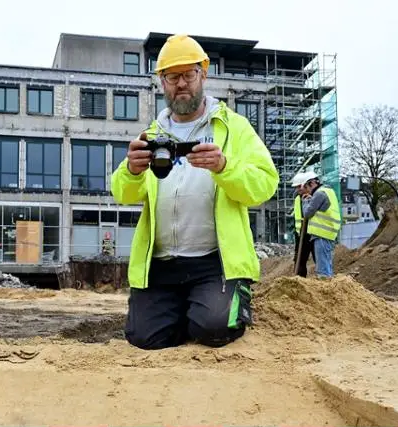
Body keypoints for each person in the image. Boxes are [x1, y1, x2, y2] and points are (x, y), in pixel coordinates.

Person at [110, 34, 279, 350]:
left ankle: (225, 301)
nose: (181, 83)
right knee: (144, 338)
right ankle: (188, 311)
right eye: (173, 77)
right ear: (162, 82)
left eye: (189, 74)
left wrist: (225, 166)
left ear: (204, 74)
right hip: (161, 264)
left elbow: (265, 185)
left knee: (215, 329)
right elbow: (122, 193)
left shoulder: (234, 128)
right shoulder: (151, 134)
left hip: (214, 262)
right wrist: (132, 171)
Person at [300, 172, 342, 278]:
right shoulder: (329, 191)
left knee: (322, 269)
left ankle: (325, 289)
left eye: (306, 187)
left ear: (311, 183)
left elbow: (307, 213)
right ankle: (329, 287)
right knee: (327, 266)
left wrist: (305, 201)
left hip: (322, 234)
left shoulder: (320, 194)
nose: (307, 191)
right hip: (328, 234)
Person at [291, 171, 315, 277]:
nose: (297, 190)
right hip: (300, 233)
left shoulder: (314, 196)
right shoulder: (297, 198)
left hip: (312, 232)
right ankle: (300, 282)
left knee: (318, 259)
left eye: (298, 187)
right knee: (299, 261)